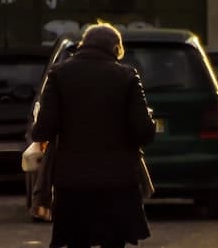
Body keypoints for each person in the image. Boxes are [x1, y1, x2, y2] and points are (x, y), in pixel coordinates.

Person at [32, 22, 157, 248]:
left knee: (77, 242)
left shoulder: (59, 75)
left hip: (72, 184)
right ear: (116, 48)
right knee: (114, 242)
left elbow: (42, 130)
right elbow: (144, 132)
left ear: (83, 44)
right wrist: (150, 121)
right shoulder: (127, 77)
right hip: (117, 184)